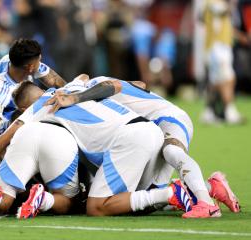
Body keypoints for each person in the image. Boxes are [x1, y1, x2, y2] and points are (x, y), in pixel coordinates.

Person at [0, 80, 199, 218]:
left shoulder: (37, 108)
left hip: (128, 139)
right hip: (148, 129)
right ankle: (203, 189)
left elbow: (1, 142)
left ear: (23, 107)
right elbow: (132, 83)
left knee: (97, 207)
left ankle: (171, 193)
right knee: (138, 202)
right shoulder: (74, 87)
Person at [43, 75, 240, 218]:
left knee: (172, 151)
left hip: (168, 117)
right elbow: (140, 84)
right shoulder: (90, 90)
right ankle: (212, 186)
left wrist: (77, 97)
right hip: (147, 131)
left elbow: (114, 85)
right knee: (145, 197)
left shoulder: (94, 86)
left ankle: (205, 203)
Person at [0, 121, 80, 220]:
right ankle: (43, 199)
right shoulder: (80, 104)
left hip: (26, 131)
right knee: (67, 201)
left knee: (4, 197)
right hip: (61, 138)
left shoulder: (36, 105)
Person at [0, 38, 66, 143]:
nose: (40, 64)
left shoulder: (16, 61)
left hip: (15, 122)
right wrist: (3, 158)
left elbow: (55, 81)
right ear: (30, 67)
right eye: (38, 61)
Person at [200, 0, 244, 124]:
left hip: (215, 47)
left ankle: (208, 112)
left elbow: (201, 19)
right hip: (219, 47)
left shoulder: (209, 3)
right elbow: (224, 10)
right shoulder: (215, 2)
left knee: (216, 82)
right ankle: (230, 112)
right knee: (228, 79)